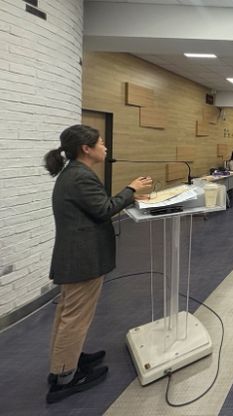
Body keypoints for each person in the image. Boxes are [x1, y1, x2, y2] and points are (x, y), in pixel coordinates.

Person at [43, 125, 152, 403]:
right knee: (75, 319)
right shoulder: (80, 176)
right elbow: (104, 209)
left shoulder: (74, 173)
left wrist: (129, 198)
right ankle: (65, 377)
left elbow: (96, 207)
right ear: (86, 149)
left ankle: (66, 361)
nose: (106, 147)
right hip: (83, 259)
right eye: (101, 143)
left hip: (76, 256)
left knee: (68, 314)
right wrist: (131, 188)